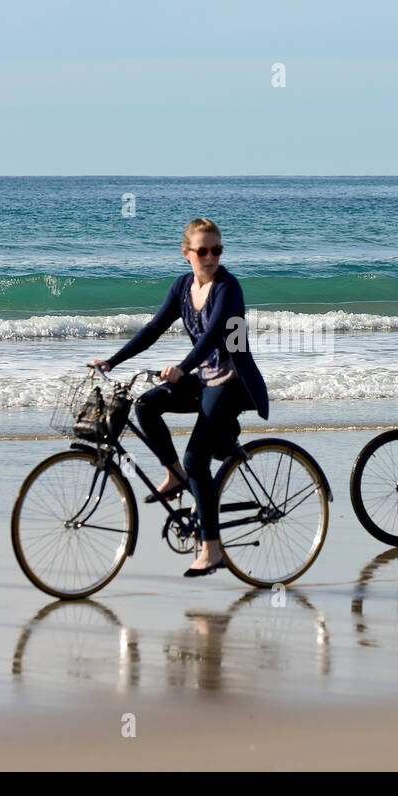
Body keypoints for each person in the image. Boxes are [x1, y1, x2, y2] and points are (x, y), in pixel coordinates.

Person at [89, 218, 269, 575]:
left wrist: (183, 368)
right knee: (146, 404)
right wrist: (113, 360)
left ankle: (212, 548)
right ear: (186, 254)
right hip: (204, 378)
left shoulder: (227, 288)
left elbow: (215, 335)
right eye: (203, 251)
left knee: (196, 459)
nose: (211, 257)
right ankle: (173, 475)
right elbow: (154, 328)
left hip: (232, 382)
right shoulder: (182, 287)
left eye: (216, 250)